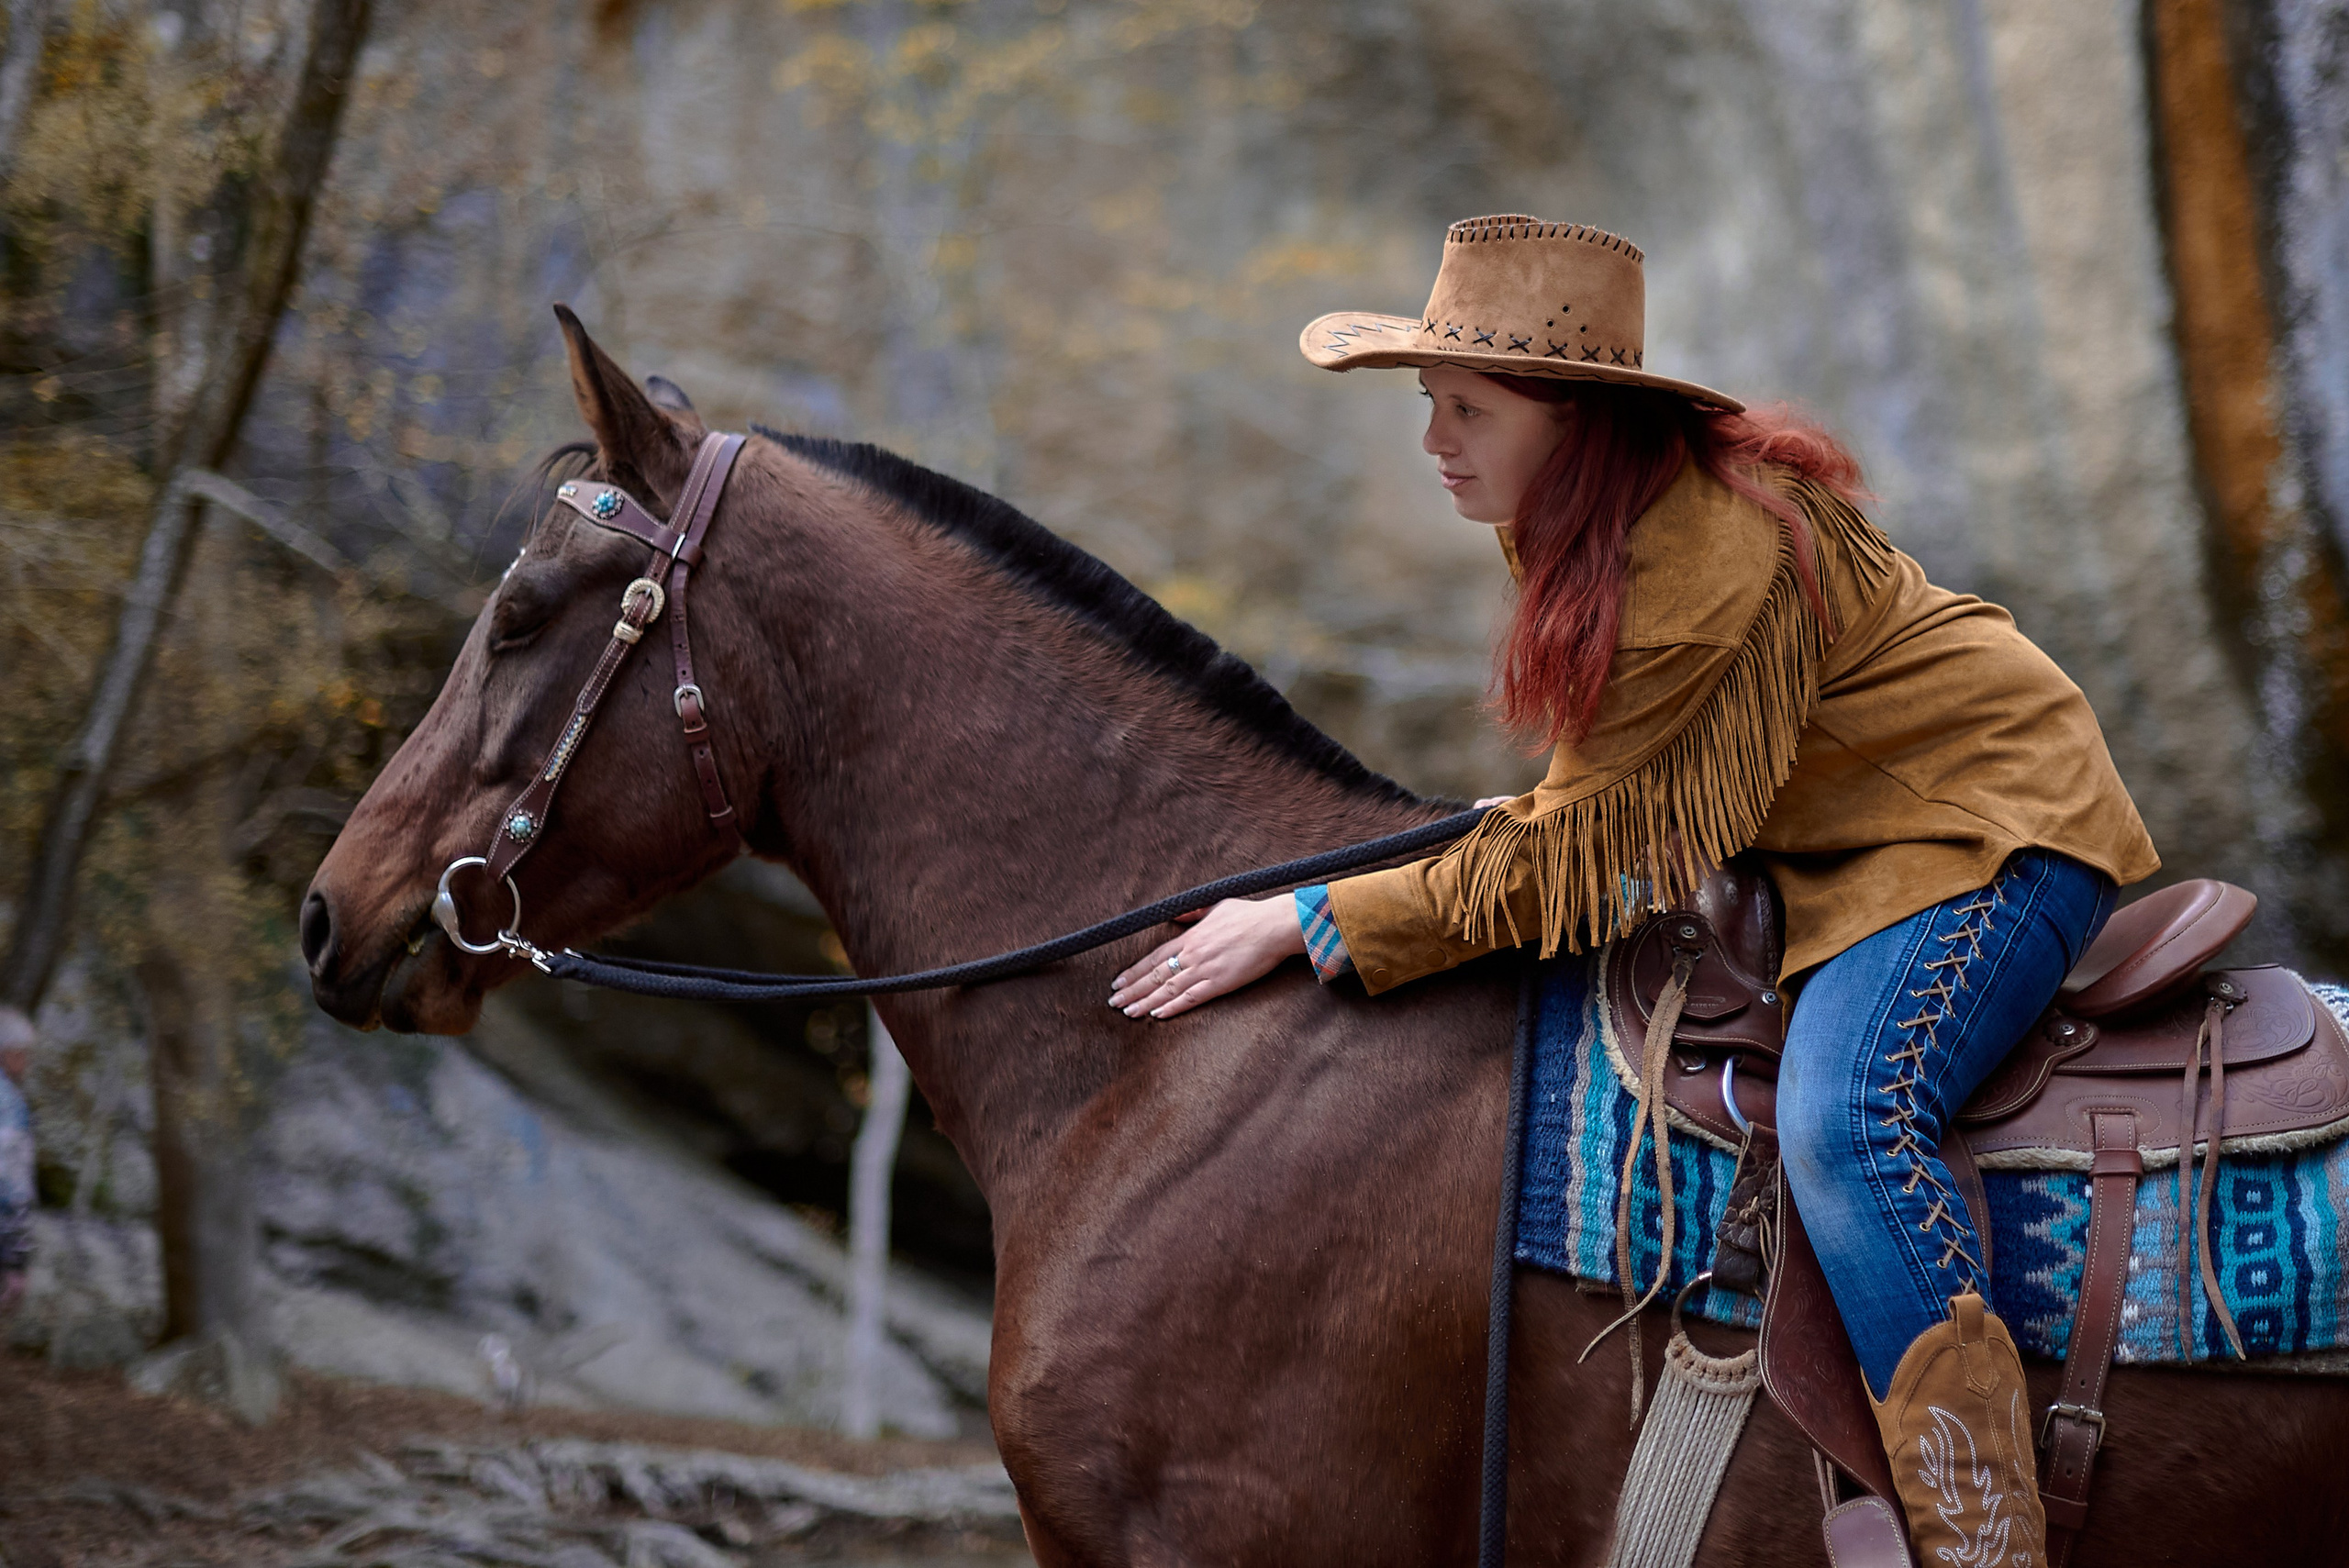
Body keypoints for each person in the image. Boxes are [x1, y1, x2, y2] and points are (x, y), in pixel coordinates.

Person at [1106, 215, 2156, 1561]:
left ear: (1573, 418)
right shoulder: (1582, 518)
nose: (1435, 438)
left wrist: (1308, 919)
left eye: (1468, 407)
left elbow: (1563, 859)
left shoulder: (1697, 553)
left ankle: (1984, 1532)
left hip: (1988, 828)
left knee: (1846, 1118)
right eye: (1432, 403)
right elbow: (1593, 798)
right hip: (1844, 840)